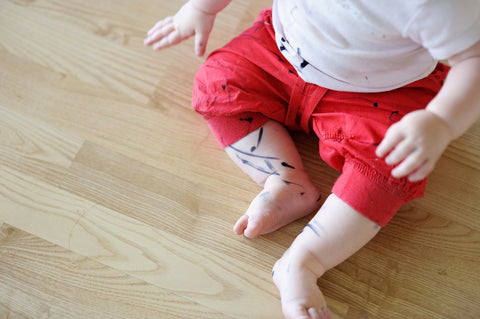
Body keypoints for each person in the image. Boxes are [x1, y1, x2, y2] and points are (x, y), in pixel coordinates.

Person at [145, 1, 480, 318]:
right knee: (215, 83)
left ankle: (304, 261)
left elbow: (473, 59)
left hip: (383, 93)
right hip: (278, 50)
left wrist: (441, 122)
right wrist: (202, 8)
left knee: (394, 165)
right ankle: (286, 182)